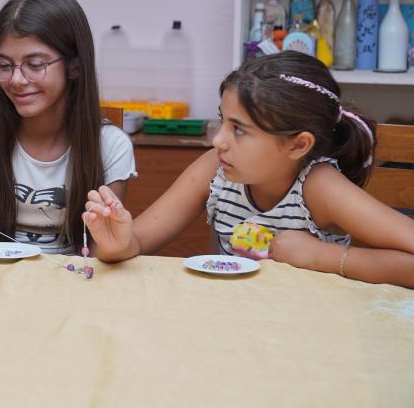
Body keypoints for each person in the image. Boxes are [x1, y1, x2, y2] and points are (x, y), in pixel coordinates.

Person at [84, 51, 414, 287]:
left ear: (298, 145)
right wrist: (118, 242)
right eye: (223, 121)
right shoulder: (216, 170)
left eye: (239, 130)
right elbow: (137, 242)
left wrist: (319, 257)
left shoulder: (319, 187)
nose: (219, 141)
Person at [0, 0, 135, 254]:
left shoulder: (111, 145)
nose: (17, 80)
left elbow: (101, 252)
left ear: (75, 65)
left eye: (35, 65)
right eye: (5, 64)